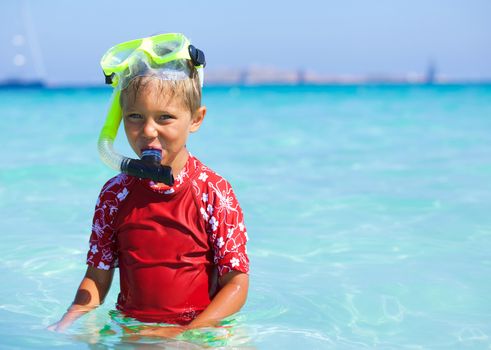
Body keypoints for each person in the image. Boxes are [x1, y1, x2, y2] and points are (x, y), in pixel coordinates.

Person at [48, 33, 249, 338]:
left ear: (196, 119)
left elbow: (236, 284)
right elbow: (97, 278)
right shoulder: (115, 194)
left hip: (197, 334)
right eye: (135, 117)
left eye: (165, 117)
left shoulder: (214, 191)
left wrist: (185, 336)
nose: (148, 131)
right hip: (133, 331)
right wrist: (68, 320)